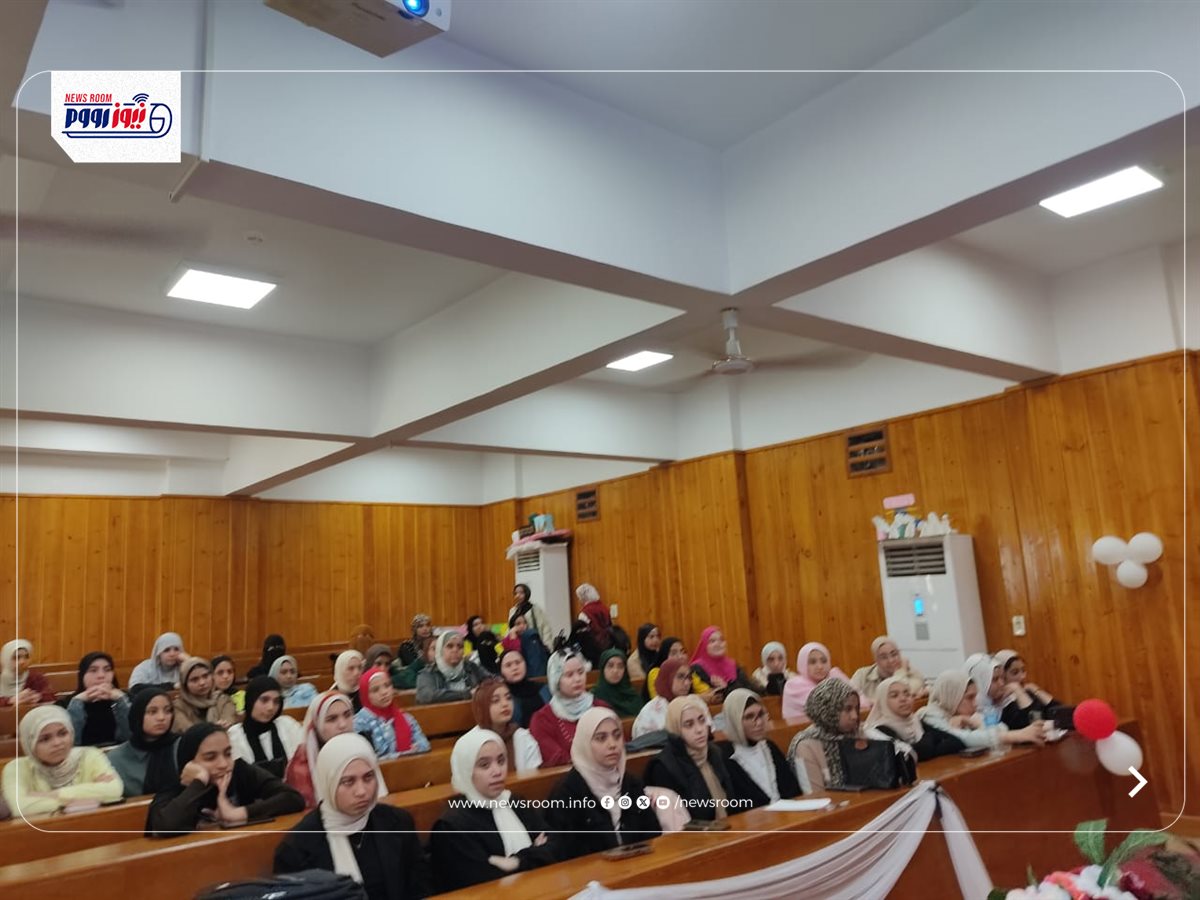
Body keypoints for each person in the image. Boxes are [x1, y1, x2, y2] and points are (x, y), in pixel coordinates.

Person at [274, 733, 432, 899]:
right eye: (348, 782)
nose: (361, 791)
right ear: (328, 782)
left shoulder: (398, 822)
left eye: (368, 777)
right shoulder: (298, 847)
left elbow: (421, 888)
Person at [429, 728, 558, 892]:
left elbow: (555, 846)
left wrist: (517, 861)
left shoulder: (515, 802)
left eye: (501, 761)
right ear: (466, 770)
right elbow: (483, 880)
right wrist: (535, 852)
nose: (497, 771)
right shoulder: (451, 826)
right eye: (484, 765)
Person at [145, 722, 304, 835]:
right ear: (189, 761)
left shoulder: (239, 770)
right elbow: (164, 826)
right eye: (210, 757)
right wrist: (198, 783)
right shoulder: (175, 783)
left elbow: (292, 798)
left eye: (228, 754)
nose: (223, 764)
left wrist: (239, 813)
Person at [546, 706, 661, 858]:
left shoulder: (632, 784)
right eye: (601, 738)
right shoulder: (566, 793)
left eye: (617, 736)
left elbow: (653, 834)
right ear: (585, 743)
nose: (612, 744)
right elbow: (565, 853)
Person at [787, 678, 915, 795]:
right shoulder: (806, 745)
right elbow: (814, 796)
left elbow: (907, 755)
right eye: (847, 709)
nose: (854, 716)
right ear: (827, 710)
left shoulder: (860, 732)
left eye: (856, 708)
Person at [2, 705, 124, 817]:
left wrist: (51, 795)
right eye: (45, 739)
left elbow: (114, 790)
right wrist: (89, 797)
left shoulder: (89, 755)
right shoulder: (16, 768)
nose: (57, 743)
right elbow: (18, 807)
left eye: (62, 733)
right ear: (30, 744)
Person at [644, 695, 737, 821]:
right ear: (676, 729)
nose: (699, 730)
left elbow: (733, 802)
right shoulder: (663, 767)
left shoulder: (714, 753)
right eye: (689, 725)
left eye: (702, 721)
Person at [286, 691, 382, 808]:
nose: (342, 725)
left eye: (347, 715)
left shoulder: (362, 748)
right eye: (332, 719)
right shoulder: (301, 764)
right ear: (317, 724)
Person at [918, 670, 1047, 750]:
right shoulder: (929, 715)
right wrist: (1015, 735)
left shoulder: (962, 713)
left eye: (975, 697)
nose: (975, 703)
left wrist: (977, 723)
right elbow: (962, 738)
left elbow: (1002, 728)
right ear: (952, 697)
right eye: (970, 698)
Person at [720, 688, 800, 807]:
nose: (759, 723)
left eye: (761, 715)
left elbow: (793, 789)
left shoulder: (769, 747)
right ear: (735, 720)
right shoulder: (725, 757)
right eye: (749, 717)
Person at [529, 646, 601, 767]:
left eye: (581, 672)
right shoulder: (542, 719)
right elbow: (557, 758)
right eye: (569, 675)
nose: (577, 679)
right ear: (556, 679)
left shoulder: (600, 708)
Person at [866, 676, 965, 762]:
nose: (903, 699)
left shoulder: (915, 721)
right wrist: (930, 738)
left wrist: (925, 749)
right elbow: (908, 756)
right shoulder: (879, 730)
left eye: (907, 694)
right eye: (894, 696)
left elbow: (955, 742)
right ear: (883, 702)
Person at [108, 688, 181, 797]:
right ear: (138, 715)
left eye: (167, 711)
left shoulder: (181, 746)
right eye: (152, 712)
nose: (161, 718)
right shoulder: (115, 759)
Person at [228, 676, 305, 778]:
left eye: (276, 701)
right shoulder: (234, 735)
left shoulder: (287, 725)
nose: (271, 707)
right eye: (264, 700)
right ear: (251, 700)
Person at [354, 670, 430, 760]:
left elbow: (425, 744)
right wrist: (402, 755)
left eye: (387, 686)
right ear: (365, 695)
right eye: (375, 690)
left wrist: (417, 748)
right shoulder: (360, 723)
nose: (384, 692)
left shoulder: (407, 718)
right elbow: (367, 758)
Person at [471, 678, 542, 774]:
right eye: (496, 701)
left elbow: (533, 777)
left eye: (508, 698)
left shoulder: (523, 737)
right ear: (482, 708)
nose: (505, 704)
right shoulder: (471, 741)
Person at [632, 657, 712, 739]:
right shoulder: (651, 711)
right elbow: (644, 742)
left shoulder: (696, 703)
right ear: (667, 678)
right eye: (680, 677)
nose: (687, 683)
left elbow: (709, 733)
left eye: (689, 677)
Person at [67, 651, 131, 746]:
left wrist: (121, 701)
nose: (101, 675)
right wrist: (77, 703)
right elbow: (70, 743)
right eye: (93, 670)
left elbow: (131, 737)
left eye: (107, 670)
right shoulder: (68, 702)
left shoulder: (125, 698)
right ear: (82, 675)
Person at [850, 635, 927, 709]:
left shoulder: (911, 672)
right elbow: (850, 698)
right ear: (876, 660)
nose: (891, 660)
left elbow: (903, 694)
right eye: (884, 657)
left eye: (894, 654)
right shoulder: (862, 675)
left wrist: (901, 672)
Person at [993, 649, 1063, 729]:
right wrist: (1017, 690)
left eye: (1023, 670)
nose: (1023, 676)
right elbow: (1034, 723)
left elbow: (1060, 713)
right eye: (1015, 672)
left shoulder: (1028, 693)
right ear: (1002, 676)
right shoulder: (1002, 704)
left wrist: (1037, 690)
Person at [782, 641, 853, 720]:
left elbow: (858, 699)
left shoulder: (834, 677)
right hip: (804, 727)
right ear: (803, 663)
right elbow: (826, 709)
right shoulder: (794, 686)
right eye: (812, 662)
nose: (820, 667)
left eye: (824, 661)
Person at [689, 626, 761, 701]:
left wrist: (725, 687)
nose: (718, 644)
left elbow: (747, 689)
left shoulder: (733, 665)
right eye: (712, 641)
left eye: (721, 640)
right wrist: (725, 689)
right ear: (704, 646)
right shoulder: (697, 668)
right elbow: (713, 696)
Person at [415, 631, 485, 704]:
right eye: (450, 646)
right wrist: (466, 694)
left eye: (460, 646)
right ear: (440, 650)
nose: (455, 650)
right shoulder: (427, 673)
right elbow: (427, 696)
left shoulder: (471, 667)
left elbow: (490, 682)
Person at [172, 656, 237, 732]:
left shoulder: (223, 700)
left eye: (205, 676)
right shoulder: (178, 707)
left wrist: (224, 725)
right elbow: (189, 732)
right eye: (194, 679)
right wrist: (213, 730)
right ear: (185, 684)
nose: (202, 683)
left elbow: (229, 721)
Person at [498, 648, 549, 729]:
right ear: (501, 671)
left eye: (518, 662)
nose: (515, 668)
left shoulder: (543, 689)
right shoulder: (502, 697)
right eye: (508, 665)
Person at [591, 648, 645, 718]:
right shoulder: (594, 697)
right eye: (610, 666)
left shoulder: (632, 695)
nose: (615, 671)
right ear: (603, 668)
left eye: (620, 666)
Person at [0, 639, 56, 706]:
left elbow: (51, 697)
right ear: (6, 659)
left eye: (26, 657)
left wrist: (38, 697)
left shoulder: (36, 678)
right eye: (16, 657)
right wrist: (10, 701)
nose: (22, 662)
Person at [572, 583, 615, 665]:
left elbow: (582, 636)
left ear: (583, 597)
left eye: (579, 597)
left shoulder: (584, 613)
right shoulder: (605, 608)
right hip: (609, 645)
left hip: (593, 650)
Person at [644, 636, 689, 700]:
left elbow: (704, 692)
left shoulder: (688, 671)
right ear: (664, 656)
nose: (680, 657)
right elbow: (659, 698)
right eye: (673, 653)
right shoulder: (656, 672)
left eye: (683, 652)